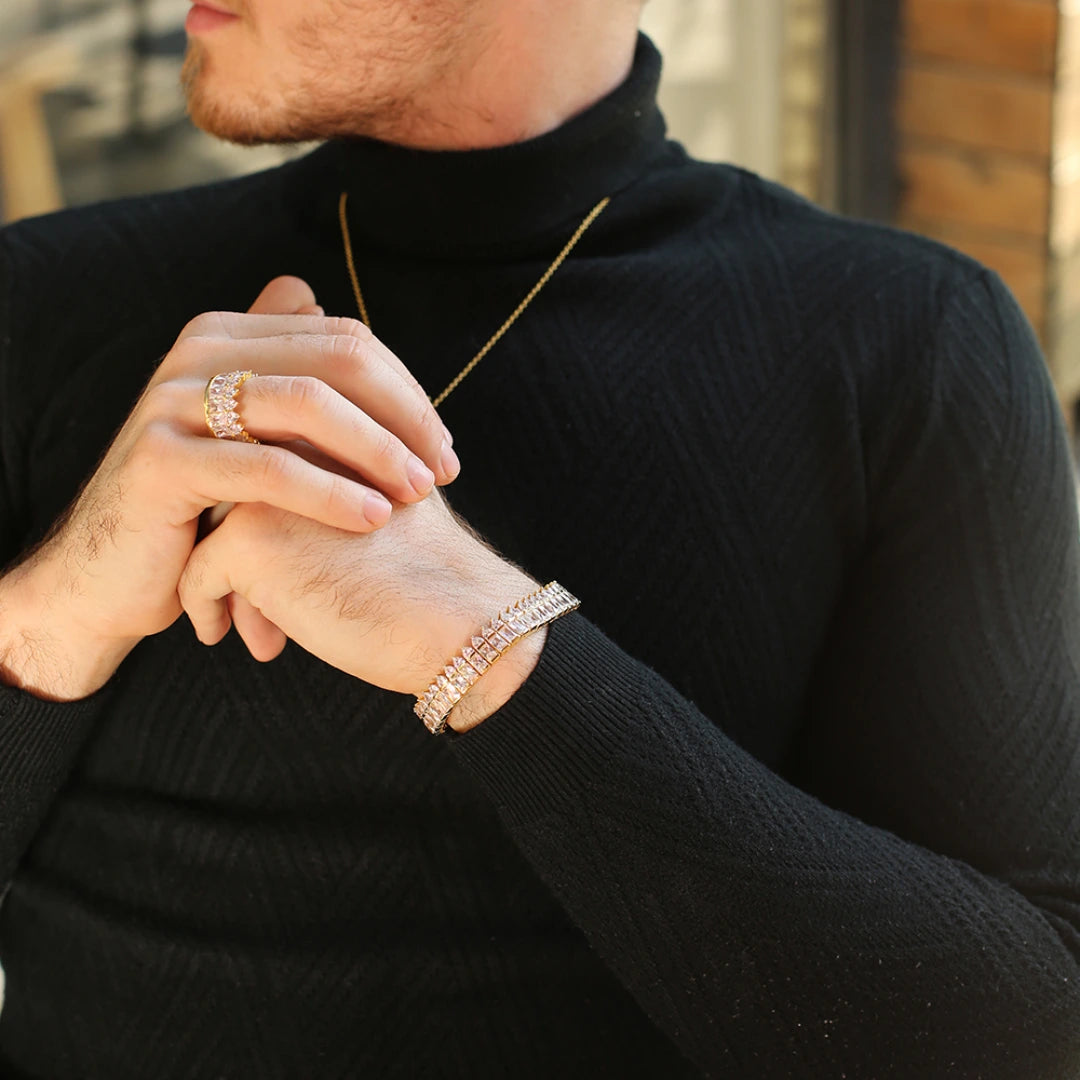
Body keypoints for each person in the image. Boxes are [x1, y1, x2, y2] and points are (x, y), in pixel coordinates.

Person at [0, 0, 1077, 1075]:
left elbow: (1033, 1036)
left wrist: (492, 646)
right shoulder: (40, 299)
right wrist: (54, 614)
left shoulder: (912, 345)